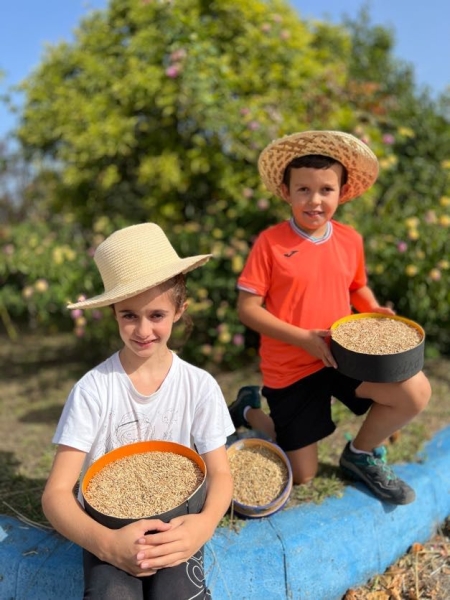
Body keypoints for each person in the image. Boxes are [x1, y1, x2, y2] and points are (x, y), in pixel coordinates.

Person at [228, 130, 431, 505]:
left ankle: (361, 454)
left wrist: (373, 309)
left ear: (342, 191)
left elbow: (356, 287)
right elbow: (248, 309)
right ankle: (249, 410)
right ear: (286, 192)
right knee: (302, 475)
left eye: (326, 189)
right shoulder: (270, 244)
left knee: (415, 390)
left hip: (344, 356)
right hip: (291, 367)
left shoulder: (350, 239)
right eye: (303, 190)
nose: (314, 200)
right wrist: (304, 339)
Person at [42, 222, 235, 600]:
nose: (143, 329)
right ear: (113, 313)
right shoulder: (94, 389)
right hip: (109, 527)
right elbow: (56, 495)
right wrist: (106, 544)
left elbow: (221, 473)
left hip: (177, 524)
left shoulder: (199, 386)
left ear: (179, 309)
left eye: (157, 315)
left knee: (179, 595)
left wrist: (203, 525)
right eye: (129, 315)